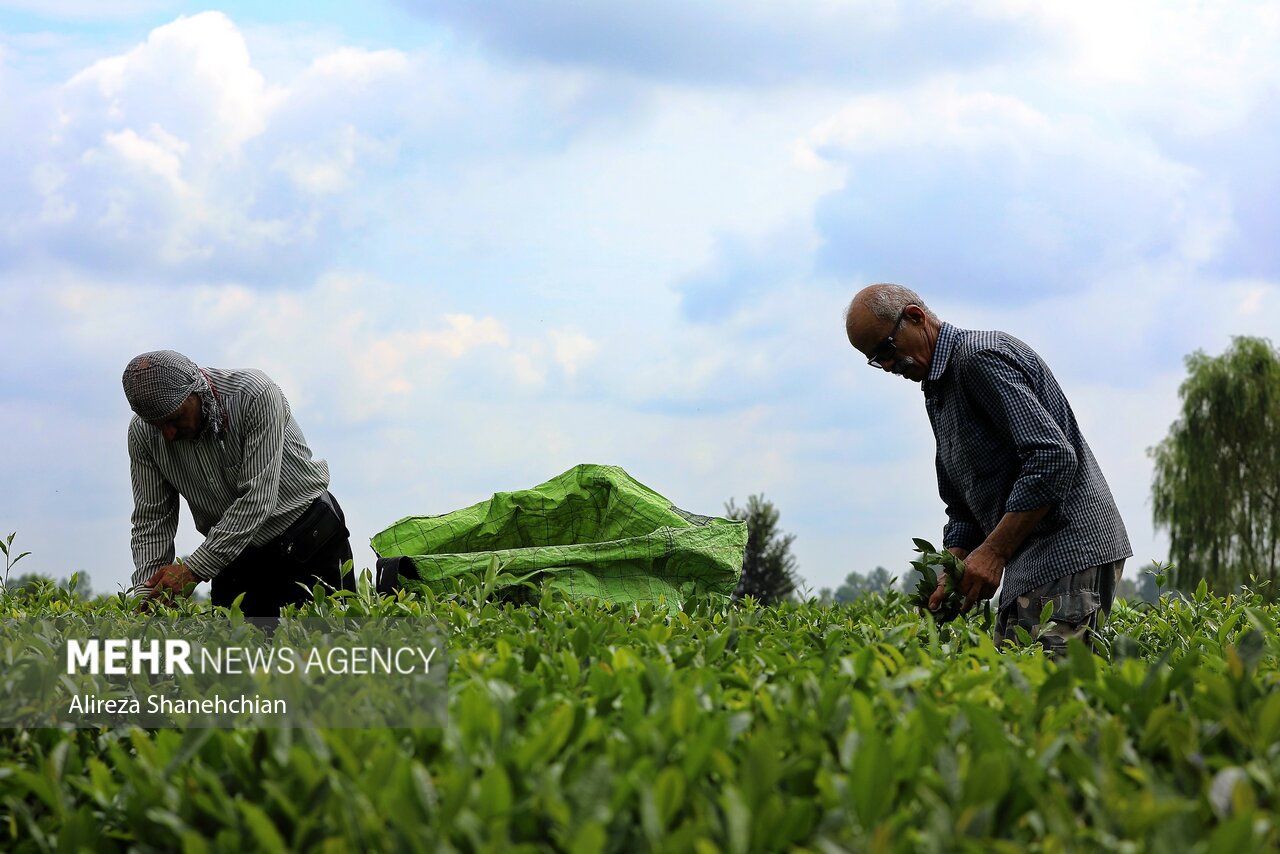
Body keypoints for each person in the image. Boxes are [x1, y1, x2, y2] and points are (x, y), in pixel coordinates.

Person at [844, 284, 1131, 654]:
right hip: (1032, 557)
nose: (886, 365)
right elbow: (962, 504)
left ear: (915, 317)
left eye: (885, 349)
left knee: (1045, 694)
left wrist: (993, 552)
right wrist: (956, 564)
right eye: (874, 359)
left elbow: (1053, 457)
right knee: (1014, 683)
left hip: (1065, 548)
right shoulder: (938, 393)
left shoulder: (979, 358)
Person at [122, 350, 354, 616]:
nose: (168, 433)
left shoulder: (255, 396)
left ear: (197, 390)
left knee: (324, 647)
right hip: (233, 555)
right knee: (239, 653)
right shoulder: (141, 435)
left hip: (308, 540)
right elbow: (152, 520)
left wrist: (192, 570)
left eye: (174, 418)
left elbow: (257, 500)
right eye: (156, 424)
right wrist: (149, 593)